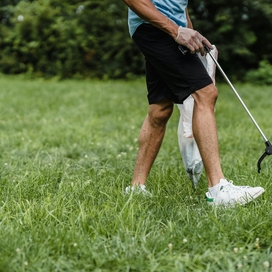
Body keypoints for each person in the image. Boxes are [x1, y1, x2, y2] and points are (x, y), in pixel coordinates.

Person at [123, 0, 265, 206]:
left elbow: (180, 5)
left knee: (160, 108)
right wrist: (176, 31)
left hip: (164, 28)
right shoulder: (167, 28)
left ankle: (136, 187)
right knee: (206, 93)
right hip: (156, 27)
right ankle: (218, 189)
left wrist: (190, 32)